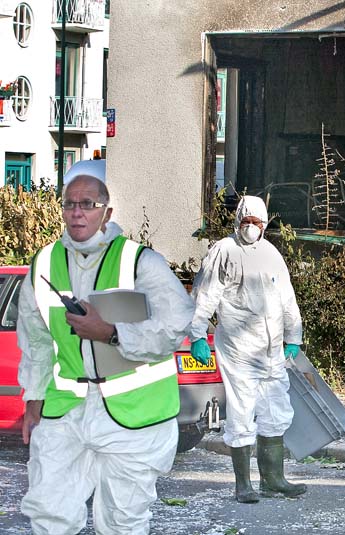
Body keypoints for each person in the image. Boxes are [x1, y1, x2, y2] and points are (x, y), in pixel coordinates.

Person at [16, 160, 195, 534]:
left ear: (107, 211)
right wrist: (33, 400)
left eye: (88, 204)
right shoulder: (45, 263)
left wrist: (112, 333)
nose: (77, 212)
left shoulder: (140, 261)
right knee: (48, 512)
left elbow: (176, 323)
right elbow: (35, 337)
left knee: (121, 521)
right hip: (66, 411)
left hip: (136, 417)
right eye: (70, 203)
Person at [189, 195, 305, 503]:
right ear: (238, 221)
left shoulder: (271, 253)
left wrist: (294, 336)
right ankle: (243, 484)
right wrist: (197, 335)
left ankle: (274, 480)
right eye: (247, 222)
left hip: (271, 351)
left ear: (266, 224)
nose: (252, 228)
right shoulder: (224, 251)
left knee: (276, 411)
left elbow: (287, 298)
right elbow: (205, 295)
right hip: (239, 349)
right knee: (242, 413)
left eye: (258, 223)